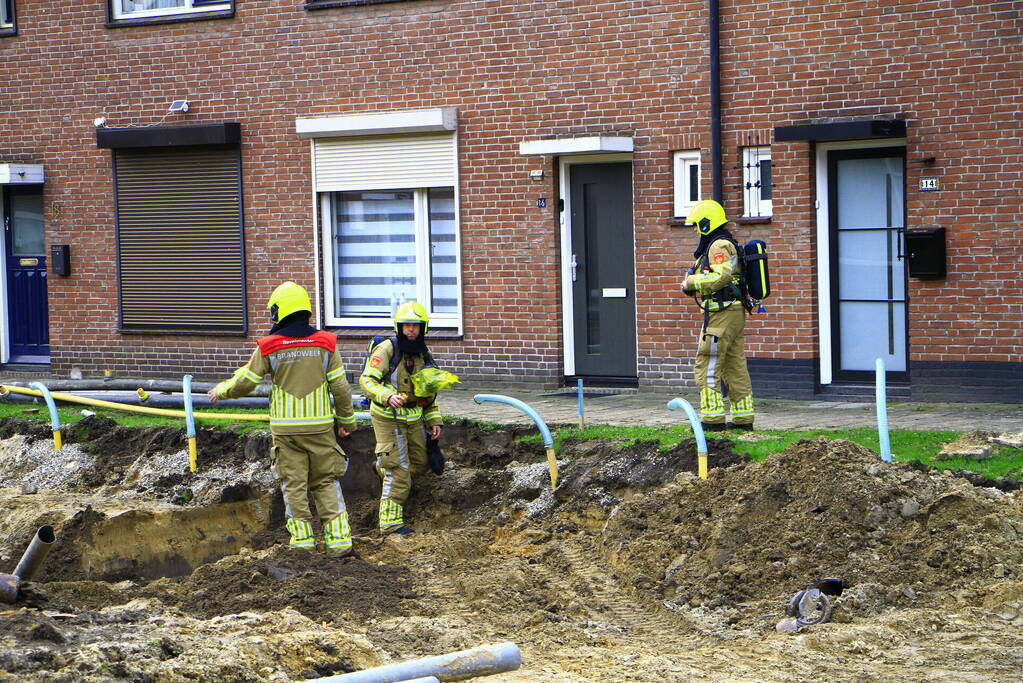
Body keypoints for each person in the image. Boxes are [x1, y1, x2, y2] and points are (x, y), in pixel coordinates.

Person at [207, 281, 359, 557]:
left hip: (286, 430)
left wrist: (222, 390)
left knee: (294, 485)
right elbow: (340, 388)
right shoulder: (326, 343)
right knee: (326, 482)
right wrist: (347, 422)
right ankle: (340, 545)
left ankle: (302, 547)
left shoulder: (269, 346)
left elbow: (246, 382)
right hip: (321, 428)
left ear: (279, 311)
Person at [359, 301, 442, 536]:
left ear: (423, 328)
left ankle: (382, 469)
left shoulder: (424, 355)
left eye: (416, 326)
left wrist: (434, 420)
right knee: (399, 470)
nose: (411, 330)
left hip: (414, 418)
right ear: (399, 327)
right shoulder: (387, 349)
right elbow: (367, 381)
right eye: (407, 325)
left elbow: (428, 392)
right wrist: (386, 395)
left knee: (420, 463)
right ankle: (390, 523)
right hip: (388, 418)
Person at [681, 199, 755, 431]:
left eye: (696, 224)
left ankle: (712, 420)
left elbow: (721, 276)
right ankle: (743, 419)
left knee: (708, 363)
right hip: (733, 312)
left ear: (706, 223)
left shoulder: (717, 246)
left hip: (721, 313)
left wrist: (691, 282)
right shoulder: (723, 242)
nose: (694, 229)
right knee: (735, 365)